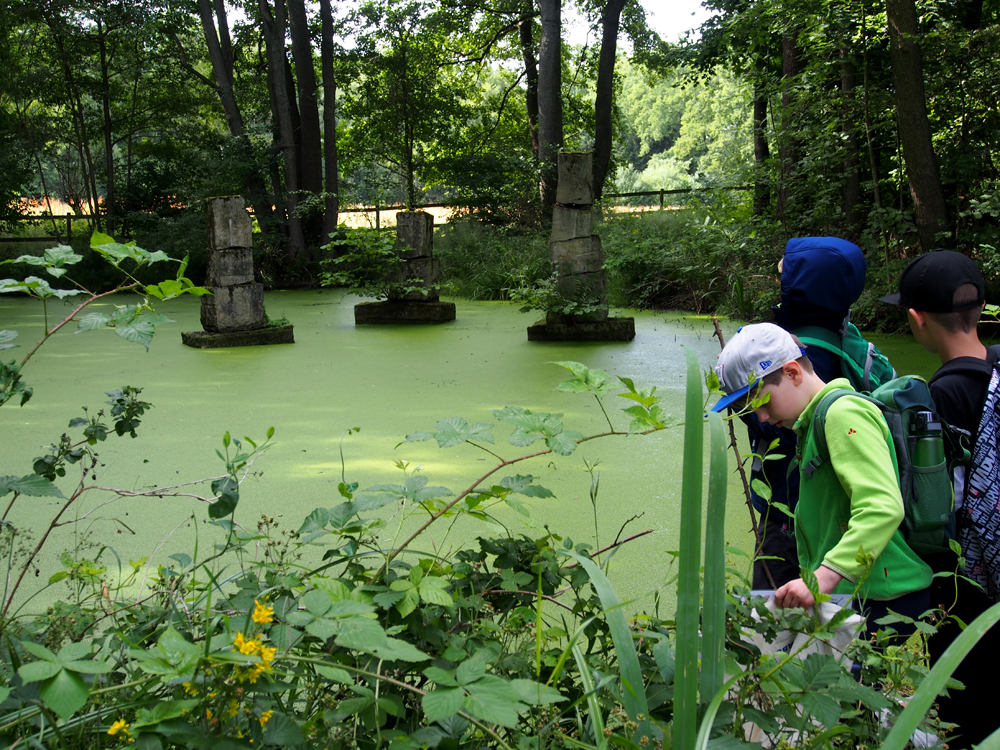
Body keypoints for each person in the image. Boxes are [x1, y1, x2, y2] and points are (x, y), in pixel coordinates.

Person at [712, 323, 933, 639]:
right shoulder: (813, 424)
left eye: (760, 401)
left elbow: (882, 507)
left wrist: (822, 578)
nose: (760, 417)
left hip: (885, 601)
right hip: (858, 594)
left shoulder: (843, 415)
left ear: (792, 373)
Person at [881, 250, 999, 747]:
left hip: (967, 581)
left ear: (916, 319)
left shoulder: (940, 397)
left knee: (969, 699)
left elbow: (933, 508)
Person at [742, 237, 871, 590]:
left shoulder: (794, 356)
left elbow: (771, 426)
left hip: (790, 513)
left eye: (785, 273)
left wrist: (743, 396)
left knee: (775, 625)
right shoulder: (851, 343)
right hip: (844, 518)